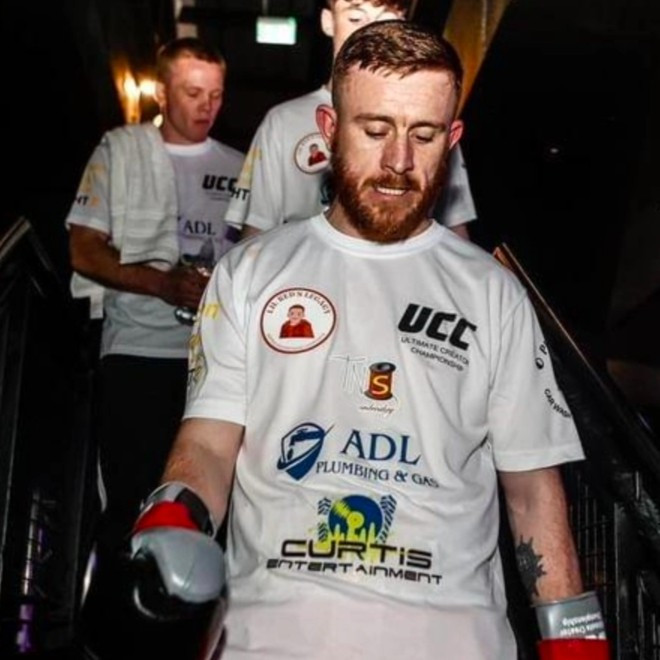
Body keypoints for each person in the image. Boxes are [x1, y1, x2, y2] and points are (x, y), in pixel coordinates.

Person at [129, 22, 610, 660]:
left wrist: (575, 642)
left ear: (452, 140)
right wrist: (169, 518)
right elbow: (209, 445)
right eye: (376, 130)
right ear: (329, 130)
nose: (399, 162)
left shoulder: (493, 293)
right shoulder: (250, 273)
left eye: (424, 135)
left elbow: (532, 492)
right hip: (268, 642)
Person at [65, 36, 244, 656]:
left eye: (216, 95)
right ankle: (112, 640)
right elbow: (83, 250)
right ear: (162, 93)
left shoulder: (240, 165)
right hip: (136, 352)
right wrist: (163, 283)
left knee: (208, 512)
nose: (207, 106)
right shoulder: (120, 149)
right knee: (129, 504)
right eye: (193, 93)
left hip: (215, 365)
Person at [225, 0, 476, 241]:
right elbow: (256, 235)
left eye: (387, 19)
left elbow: (455, 233)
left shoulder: (433, 122)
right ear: (328, 21)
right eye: (356, 18)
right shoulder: (283, 122)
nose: (371, 31)